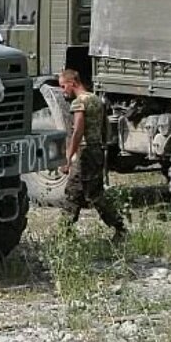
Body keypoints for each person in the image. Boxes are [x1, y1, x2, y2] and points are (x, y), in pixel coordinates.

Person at [58, 68, 127, 241]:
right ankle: (119, 227)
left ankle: (64, 235)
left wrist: (68, 156)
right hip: (96, 150)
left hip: (85, 152)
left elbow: (78, 131)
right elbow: (106, 126)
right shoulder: (96, 99)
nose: (62, 90)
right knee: (90, 193)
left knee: (75, 192)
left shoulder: (79, 103)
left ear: (72, 83)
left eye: (63, 86)